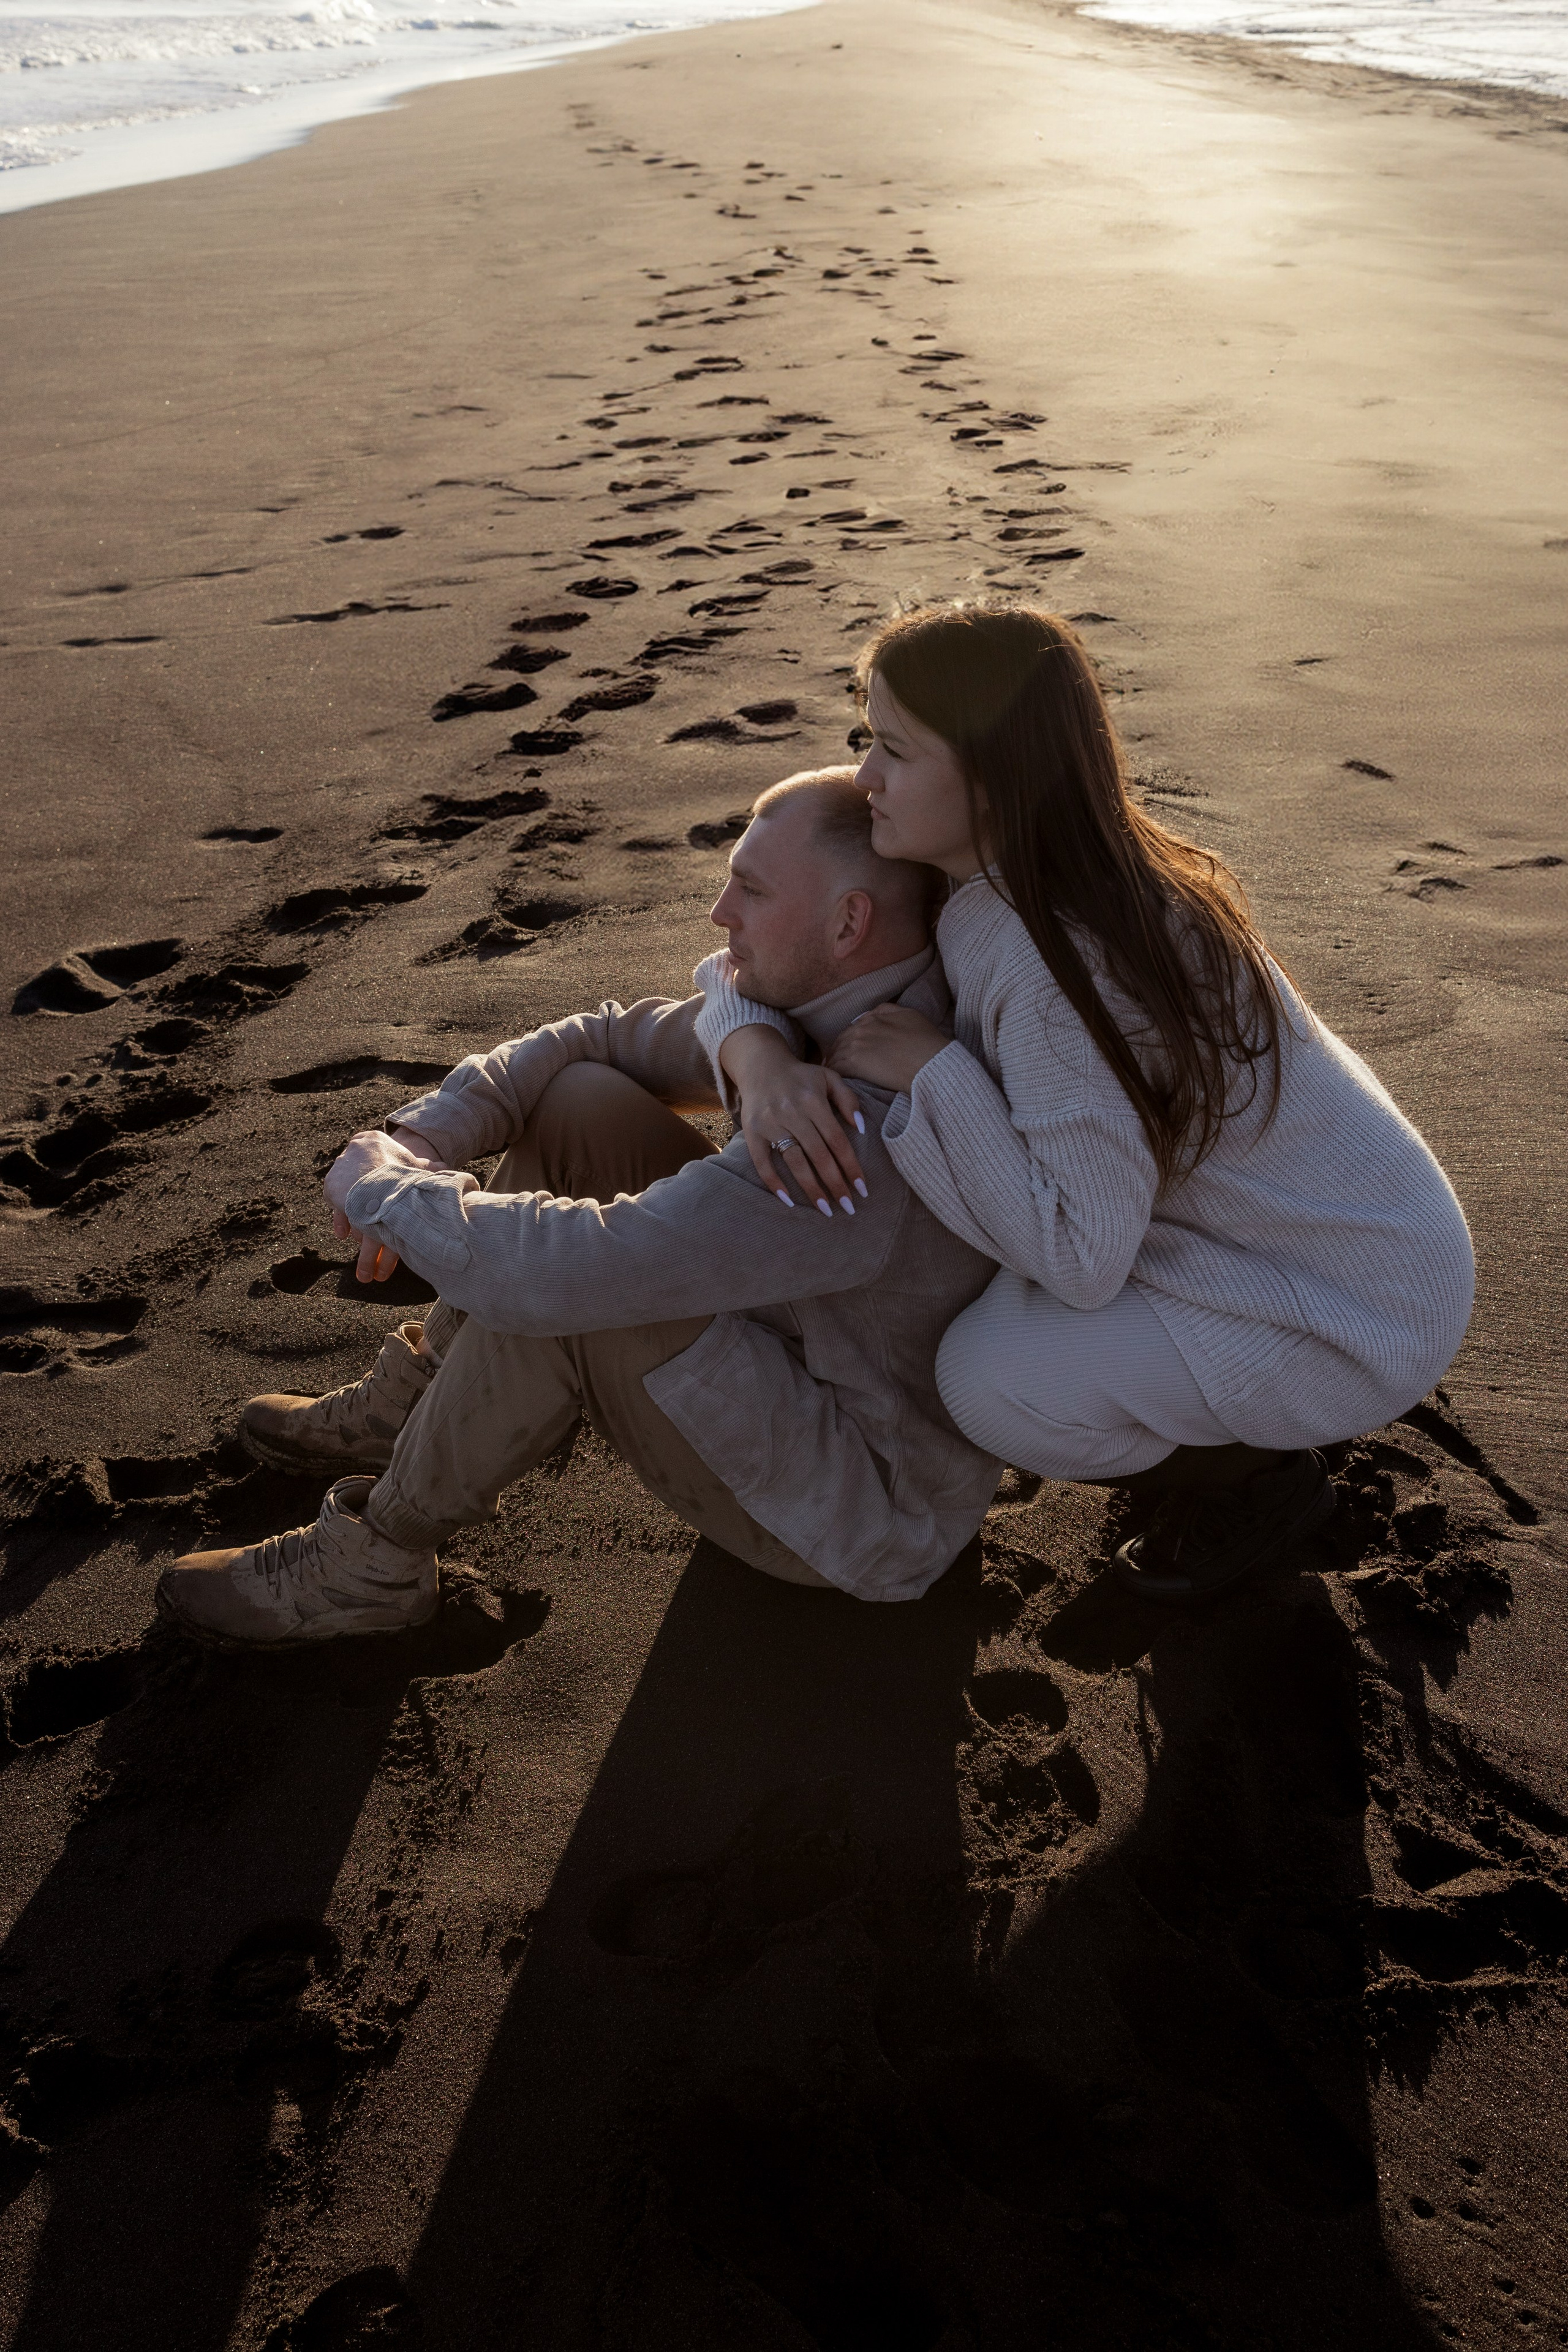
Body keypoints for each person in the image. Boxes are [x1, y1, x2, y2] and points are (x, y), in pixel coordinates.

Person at [696, 603, 1476, 1606]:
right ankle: (1212, 1424)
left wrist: (940, 1074)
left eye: (893, 749)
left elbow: (1081, 1254)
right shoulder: (994, 868)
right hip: (1302, 1239)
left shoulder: (1056, 954)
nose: (864, 779)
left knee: (986, 1380)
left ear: (992, 776)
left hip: (1348, 1300)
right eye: (866, 741)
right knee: (973, 1278)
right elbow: (745, 957)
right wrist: (756, 1056)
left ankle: (1257, 1481)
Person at [155, 769, 1004, 1648]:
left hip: (863, 1512)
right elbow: (588, 1038)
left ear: (848, 922)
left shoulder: (855, 1132)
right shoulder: (828, 1006)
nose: (720, 913)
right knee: (585, 1101)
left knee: (571, 1293)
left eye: (750, 888)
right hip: (795, 1339)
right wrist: (420, 1140)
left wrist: (380, 1187)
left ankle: (374, 1561)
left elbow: (562, 1276)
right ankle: (416, 1403)